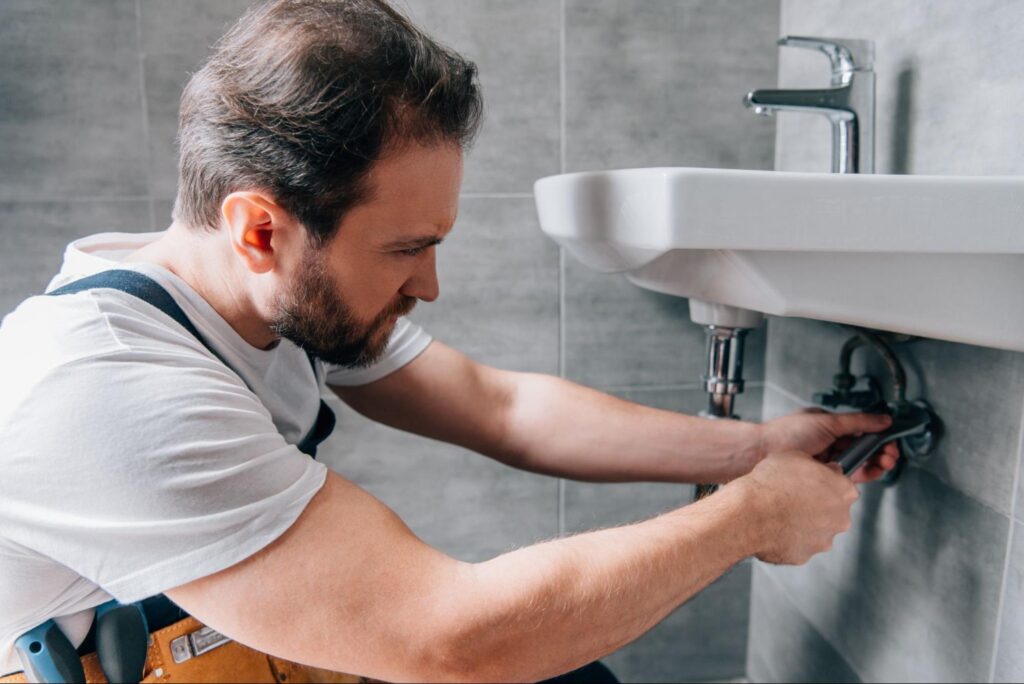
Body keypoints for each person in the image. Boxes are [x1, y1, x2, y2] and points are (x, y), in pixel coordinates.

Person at [0, 1, 899, 682]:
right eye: (406, 249)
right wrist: (748, 519)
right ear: (262, 229)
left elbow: (501, 409)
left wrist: (757, 448)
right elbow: (449, 636)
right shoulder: (113, 389)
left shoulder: (246, 296)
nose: (429, 285)